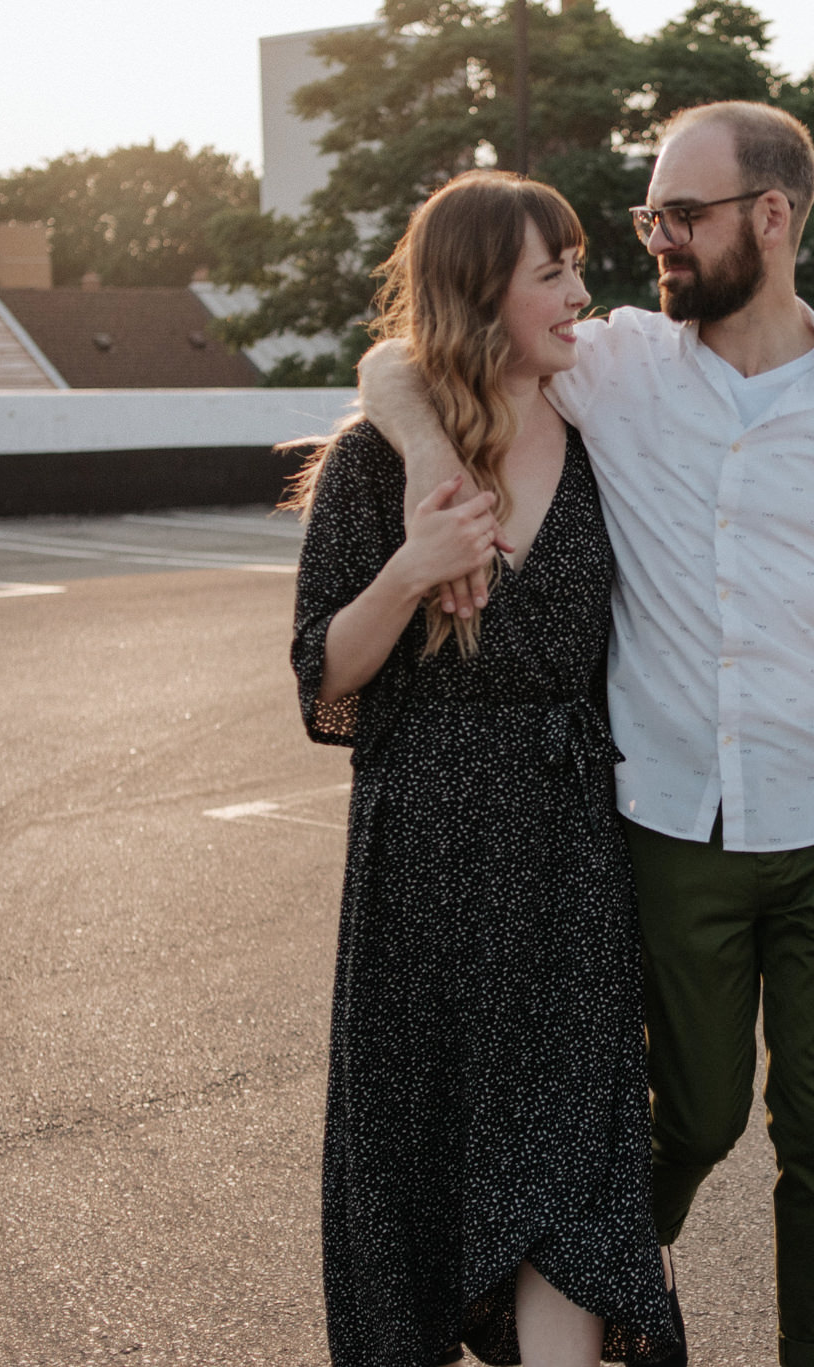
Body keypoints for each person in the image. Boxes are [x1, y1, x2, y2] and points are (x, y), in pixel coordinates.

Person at [357, 101, 814, 1367]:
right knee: (685, 1120)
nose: (656, 244)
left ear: (772, 217)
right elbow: (405, 358)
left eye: (680, 217)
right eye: (649, 218)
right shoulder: (617, 364)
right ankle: (597, 1287)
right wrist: (423, 459)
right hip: (669, 822)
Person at [289, 170, 682, 1367]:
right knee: (417, 1159)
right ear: (479, 295)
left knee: (566, 1170)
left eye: (576, 262)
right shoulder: (376, 461)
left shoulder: (606, 424)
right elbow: (323, 680)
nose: (580, 291)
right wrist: (411, 568)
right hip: (423, 858)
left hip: (571, 849)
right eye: (549, 271)